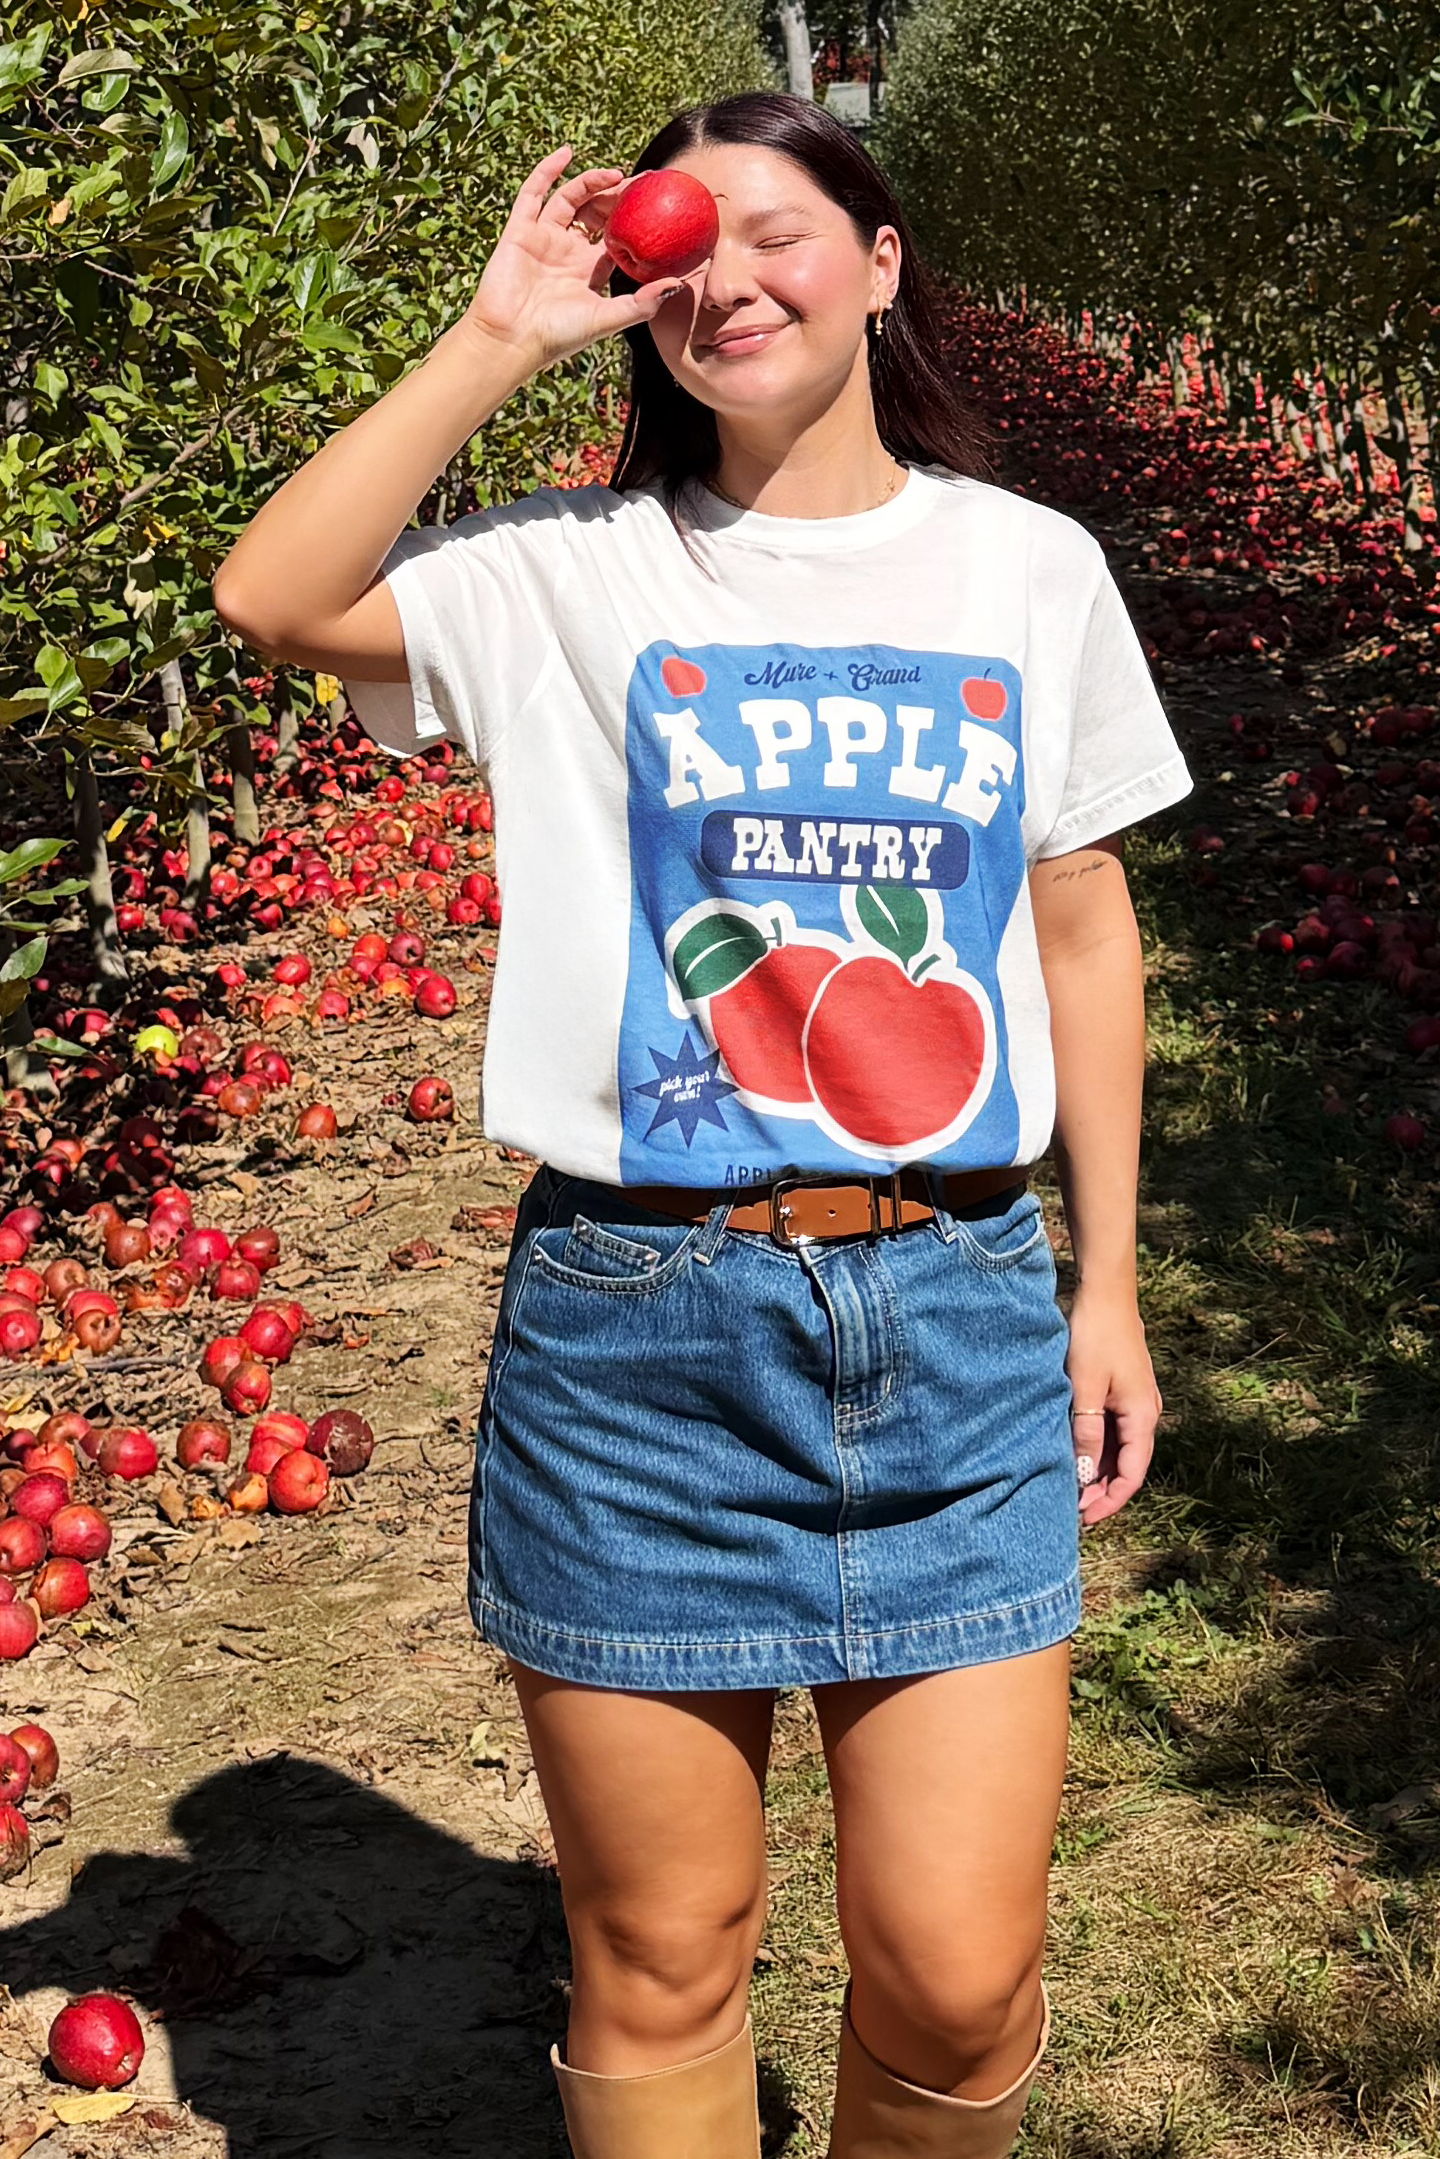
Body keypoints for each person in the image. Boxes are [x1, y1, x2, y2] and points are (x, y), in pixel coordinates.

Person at [214, 89, 1191, 2159]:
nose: (725, 280)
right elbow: (274, 596)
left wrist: (1109, 1282)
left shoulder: (1028, 567)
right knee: (663, 1948)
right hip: (640, 1322)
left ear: (885, 257)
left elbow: (1082, 926)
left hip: (956, 1306)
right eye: (681, 252)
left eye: (779, 233)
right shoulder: (565, 574)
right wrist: (500, 336)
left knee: (958, 1966)